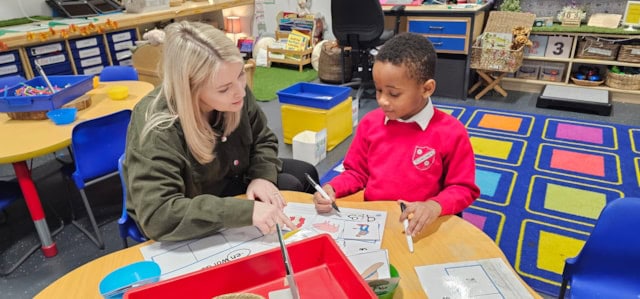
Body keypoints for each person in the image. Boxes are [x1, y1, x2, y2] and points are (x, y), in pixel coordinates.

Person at [123, 21, 319, 242]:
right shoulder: (158, 124)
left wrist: (262, 177)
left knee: (305, 172)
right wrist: (242, 211)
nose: (240, 92)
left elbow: (262, 138)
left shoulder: (234, 88)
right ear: (191, 88)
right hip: (194, 202)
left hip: (230, 177)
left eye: (240, 75)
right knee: (289, 185)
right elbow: (158, 215)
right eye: (224, 88)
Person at [313, 32, 480, 237]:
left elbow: (463, 188)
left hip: (422, 224)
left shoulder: (451, 132)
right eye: (378, 90)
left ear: (426, 89)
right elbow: (357, 172)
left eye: (393, 94)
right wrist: (333, 188)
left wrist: (434, 206)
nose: (382, 100)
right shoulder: (370, 123)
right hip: (376, 220)